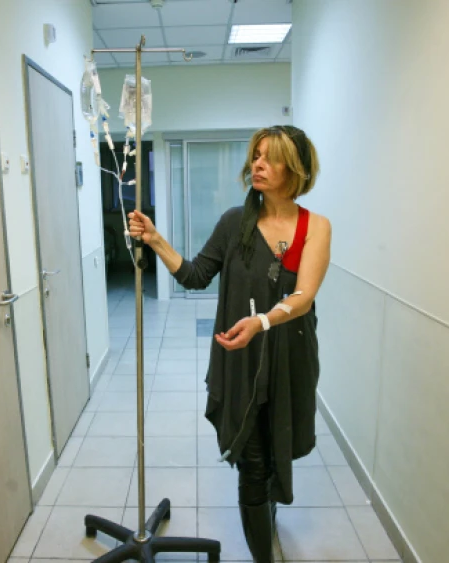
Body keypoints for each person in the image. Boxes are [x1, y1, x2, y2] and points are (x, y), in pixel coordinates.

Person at [128, 126, 330, 563]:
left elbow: (303, 296)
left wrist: (261, 321)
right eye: (255, 156)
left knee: (278, 452)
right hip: (242, 360)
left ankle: (267, 517)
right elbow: (196, 275)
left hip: (291, 358)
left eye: (269, 157)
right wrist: (156, 239)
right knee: (252, 462)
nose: (257, 164)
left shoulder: (314, 227)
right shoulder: (235, 223)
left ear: (294, 169)